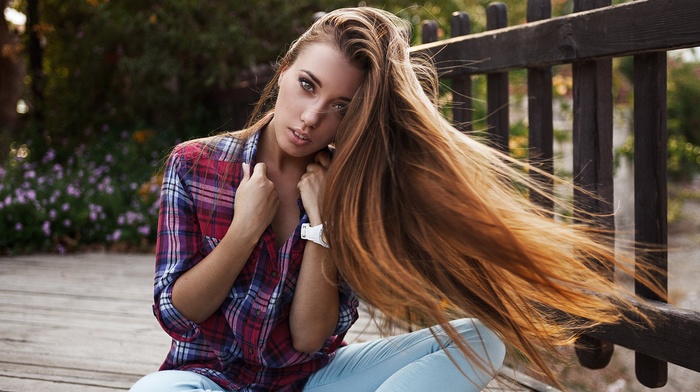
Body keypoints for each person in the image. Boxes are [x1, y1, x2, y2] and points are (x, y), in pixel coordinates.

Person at [130, 7, 660, 392]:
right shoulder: (197, 164)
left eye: (340, 106)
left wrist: (322, 224)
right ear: (284, 70)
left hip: (312, 381)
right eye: (308, 85)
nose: (313, 117)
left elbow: (310, 339)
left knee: (482, 341)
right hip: (206, 380)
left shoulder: (351, 187)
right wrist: (245, 229)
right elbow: (179, 315)